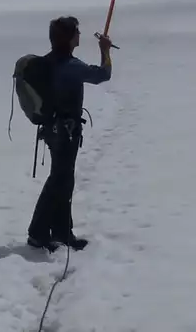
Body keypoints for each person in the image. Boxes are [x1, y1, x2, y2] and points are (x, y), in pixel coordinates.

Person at [27, 15, 113, 252]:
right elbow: (103, 75)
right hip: (66, 132)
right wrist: (105, 51)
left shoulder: (47, 62)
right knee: (59, 181)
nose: (79, 35)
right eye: (76, 31)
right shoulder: (71, 66)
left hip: (52, 130)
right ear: (67, 38)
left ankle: (62, 232)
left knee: (63, 180)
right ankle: (38, 234)